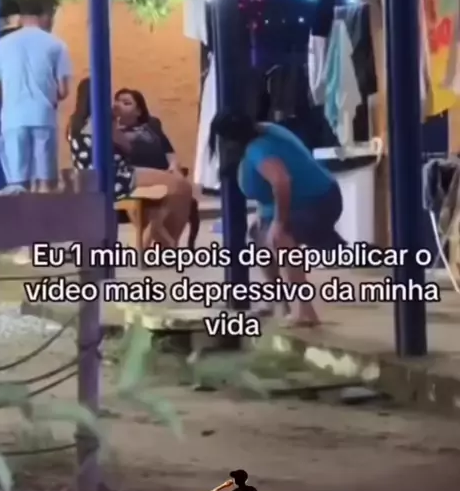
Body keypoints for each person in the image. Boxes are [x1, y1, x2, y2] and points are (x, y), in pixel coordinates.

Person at [209, 111, 346, 327]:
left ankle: (305, 310)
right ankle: (277, 299)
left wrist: (279, 223)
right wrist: (265, 217)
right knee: (258, 234)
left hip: (318, 200)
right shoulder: (264, 129)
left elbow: (282, 181)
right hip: (305, 197)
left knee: (281, 239)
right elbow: (270, 188)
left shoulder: (259, 149)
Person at [67, 79, 191, 247]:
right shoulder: (102, 119)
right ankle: (168, 242)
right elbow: (126, 147)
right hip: (117, 178)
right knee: (180, 186)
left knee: (168, 190)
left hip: (89, 181)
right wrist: (115, 125)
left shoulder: (73, 123)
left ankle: (161, 241)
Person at [0, 0, 72, 192]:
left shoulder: (2, 45)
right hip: (44, 117)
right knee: (45, 182)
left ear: (21, 17)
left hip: (13, 119)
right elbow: (63, 90)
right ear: (44, 16)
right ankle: (44, 211)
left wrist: (11, 96)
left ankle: (19, 210)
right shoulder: (56, 45)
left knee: (17, 183)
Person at [113, 88, 199, 248]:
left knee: (181, 188)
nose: (119, 105)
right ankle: (160, 245)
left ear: (138, 111)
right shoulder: (112, 130)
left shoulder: (152, 125)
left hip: (163, 175)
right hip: (136, 180)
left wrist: (174, 167)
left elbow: (169, 152)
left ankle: (170, 242)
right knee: (152, 201)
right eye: (117, 102)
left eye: (126, 103)